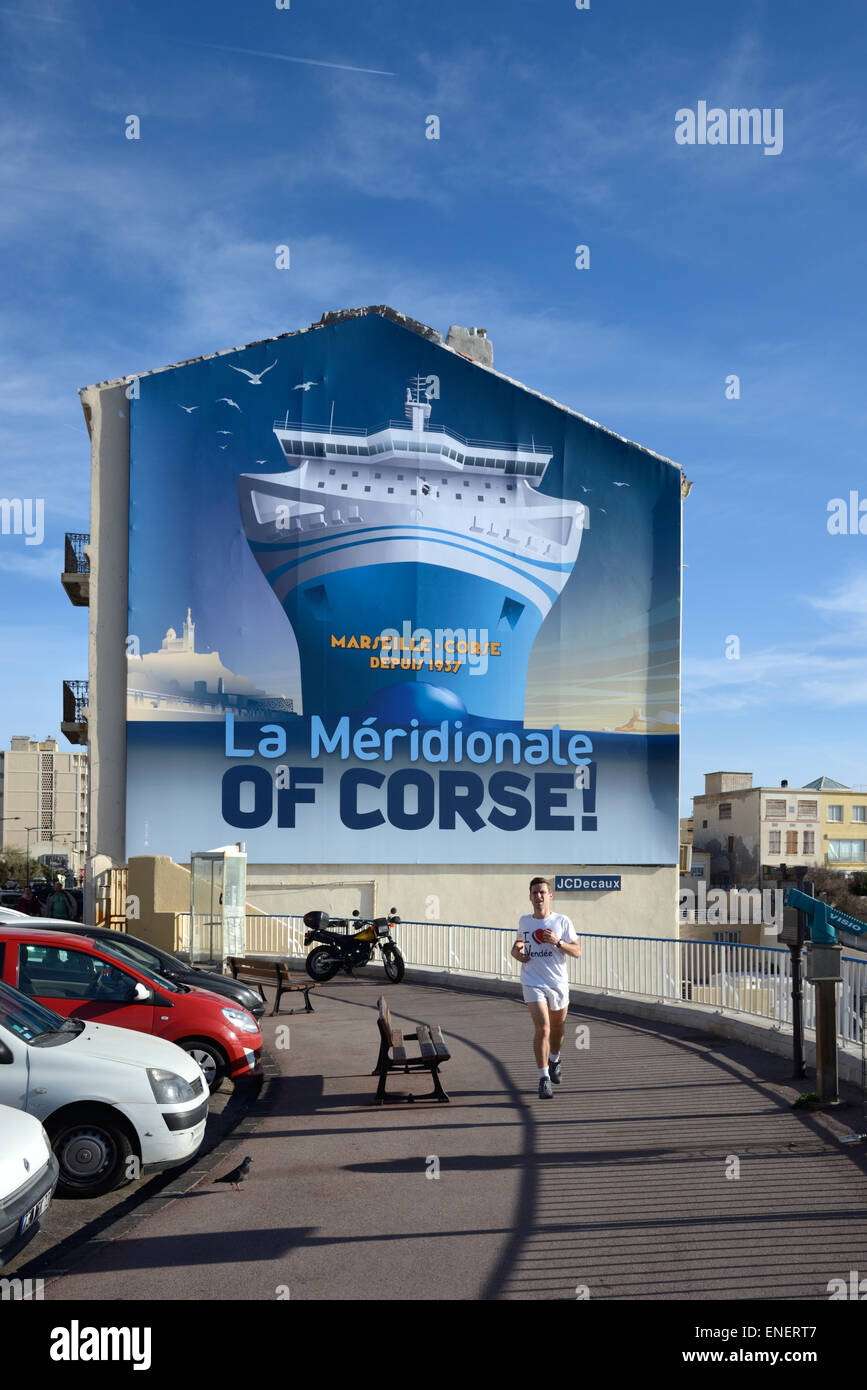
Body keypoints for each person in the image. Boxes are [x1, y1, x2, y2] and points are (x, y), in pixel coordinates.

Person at [511, 876, 581, 1099]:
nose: (538, 896)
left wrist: (558, 942)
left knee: (558, 1029)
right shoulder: (524, 921)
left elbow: (577, 951)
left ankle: (555, 1058)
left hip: (557, 983)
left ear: (550, 896)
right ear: (530, 897)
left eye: (542, 892)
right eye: (534, 893)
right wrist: (515, 951)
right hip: (532, 981)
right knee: (543, 1028)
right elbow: (520, 941)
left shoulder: (562, 921)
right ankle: (543, 1078)